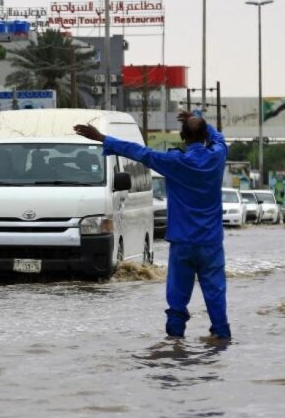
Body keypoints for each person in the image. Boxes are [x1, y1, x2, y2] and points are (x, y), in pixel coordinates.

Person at [74, 112, 231, 339]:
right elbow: (219, 139)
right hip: (211, 243)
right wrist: (197, 117)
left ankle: (175, 347)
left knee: (177, 301)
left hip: (182, 243)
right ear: (205, 135)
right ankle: (221, 342)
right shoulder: (217, 157)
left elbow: (140, 152)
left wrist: (102, 138)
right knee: (216, 296)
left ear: (182, 137)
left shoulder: (174, 162)